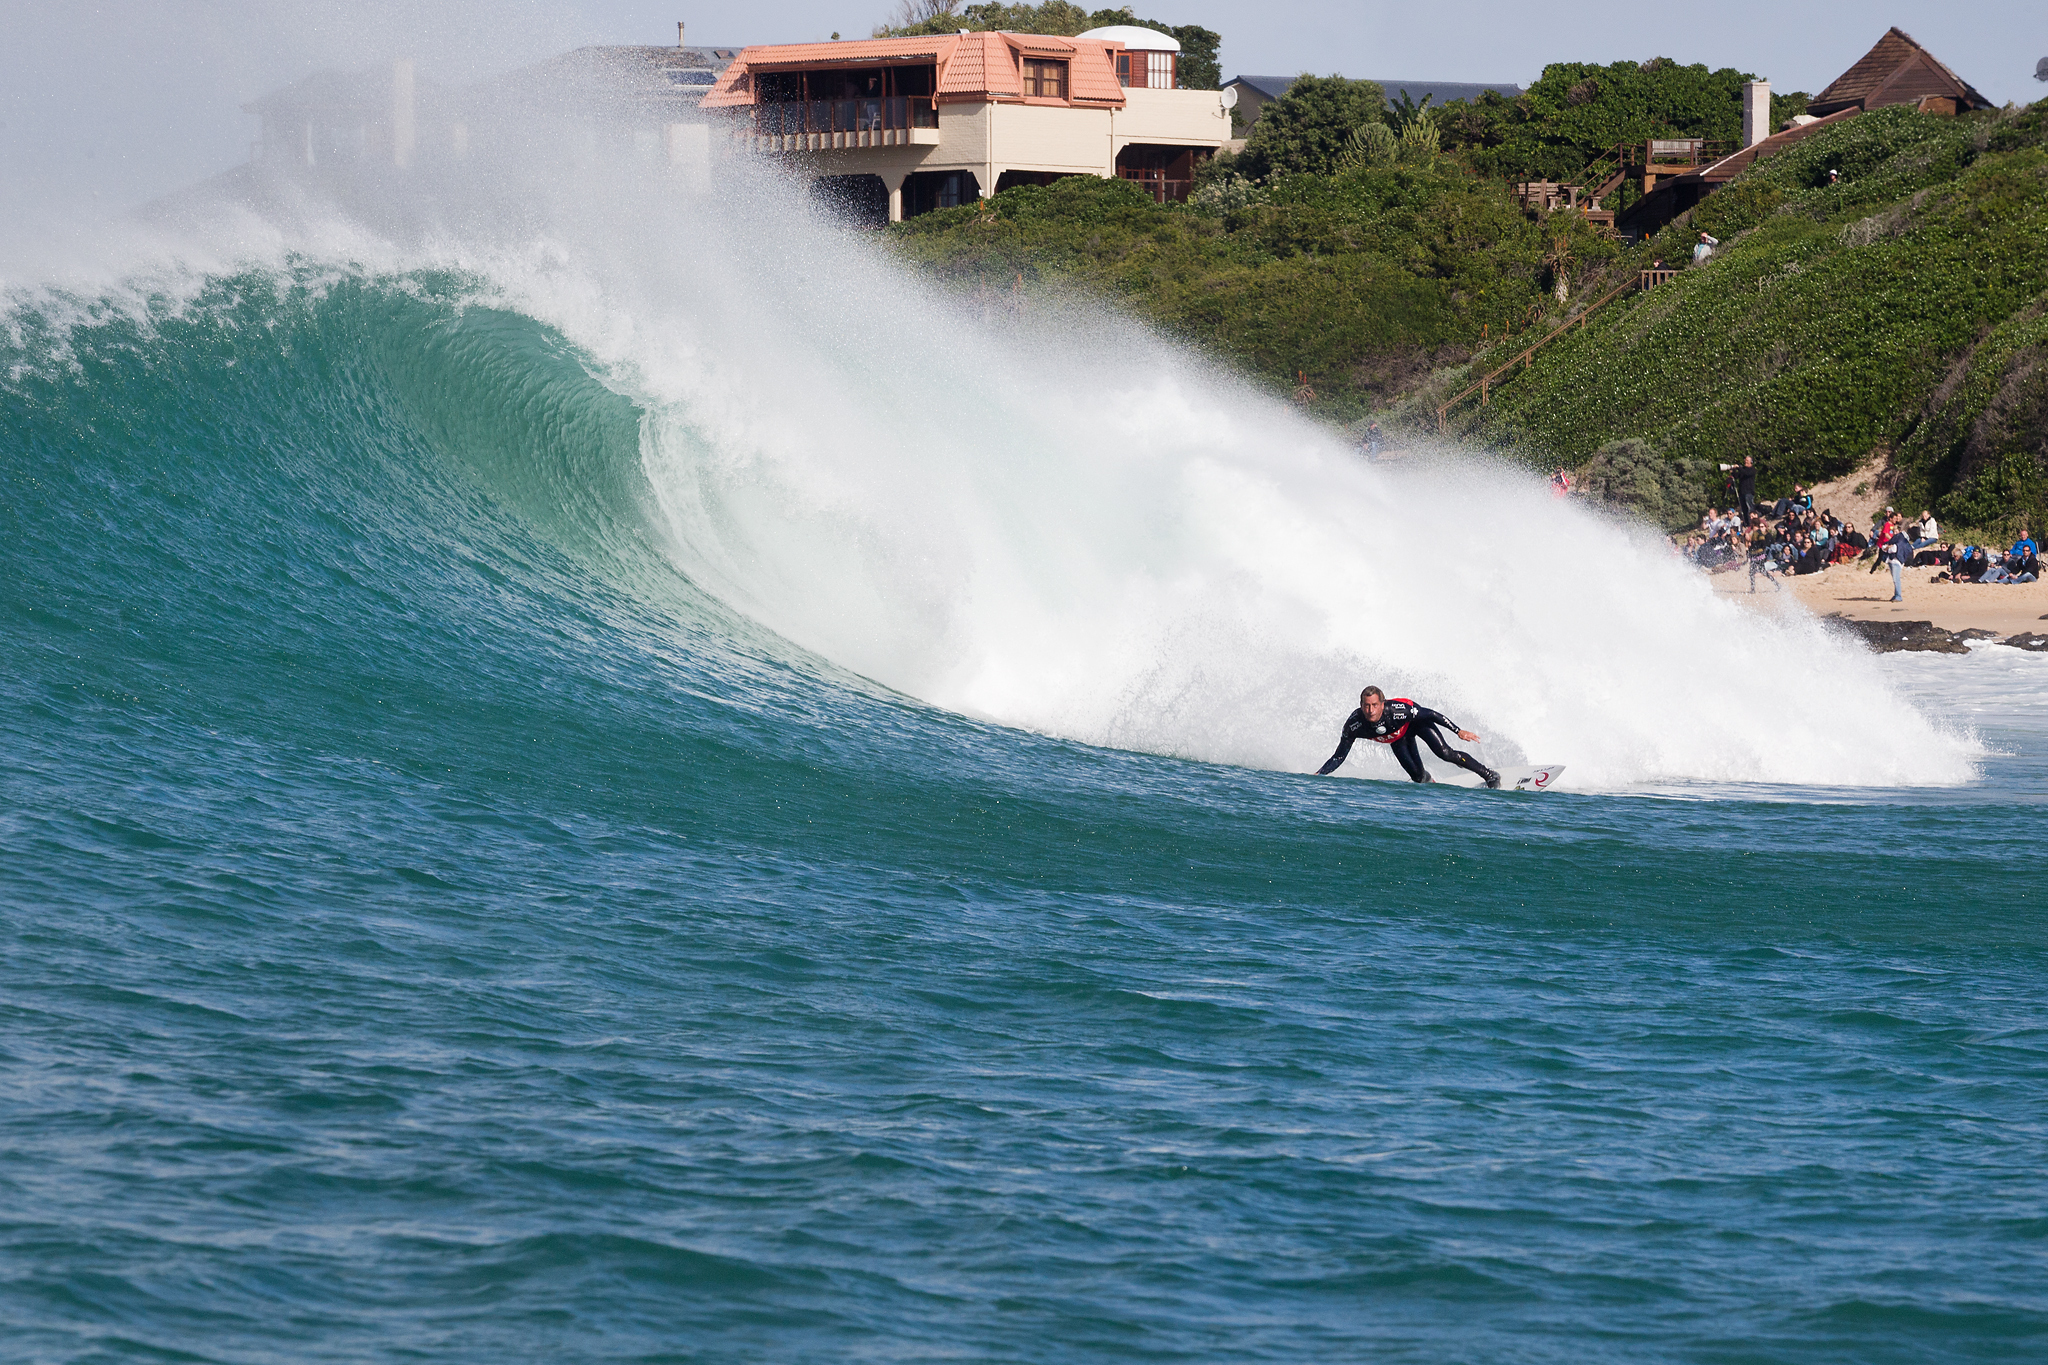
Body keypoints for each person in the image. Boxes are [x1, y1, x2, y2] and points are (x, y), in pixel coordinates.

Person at [1315, 686, 1501, 788]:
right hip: (1398, 738)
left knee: (1444, 753)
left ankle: (1489, 774)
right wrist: (1320, 774)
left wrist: (1458, 730)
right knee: (1417, 777)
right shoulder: (1354, 725)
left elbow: (1430, 714)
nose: (1370, 710)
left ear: (1382, 704)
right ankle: (1431, 785)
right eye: (1366, 706)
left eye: (1374, 705)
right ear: (1361, 705)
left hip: (1415, 724)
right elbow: (1339, 756)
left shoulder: (1397, 711)